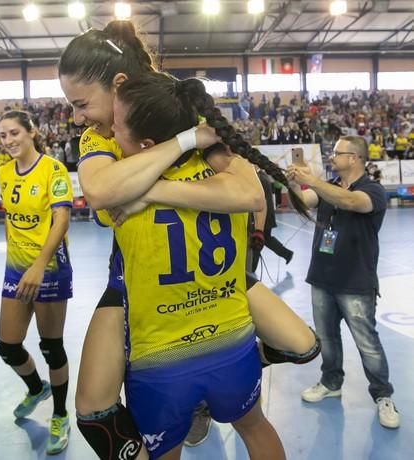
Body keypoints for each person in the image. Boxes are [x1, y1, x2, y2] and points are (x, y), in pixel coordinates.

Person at [58, 21, 314, 460]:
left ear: (118, 85)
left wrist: (147, 189)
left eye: (81, 103)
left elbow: (250, 194)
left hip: (196, 290)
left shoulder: (168, 117)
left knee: (304, 346)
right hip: (151, 281)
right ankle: (213, 392)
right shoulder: (114, 134)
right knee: (95, 409)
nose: (76, 117)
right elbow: (100, 194)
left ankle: (216, 387)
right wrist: (185, 142)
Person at [106, 71, 287, 460]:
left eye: (116, 127)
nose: (109, 134)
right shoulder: (227, 178)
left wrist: (148, 190)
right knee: (256, 427)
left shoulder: (120, 194)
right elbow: (254, 194)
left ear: (148, 144)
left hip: (160, 358)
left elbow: (103, 188)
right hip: (233, 344)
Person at [287, 135, 400, 429]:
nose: (332, 157)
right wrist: (292, 180)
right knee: (327, 338)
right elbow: (305, 199)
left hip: (356, 281)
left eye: (337, 153)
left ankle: (383, 395)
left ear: (354, 158)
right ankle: (330, 381)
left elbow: (350, 201)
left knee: (368, 343)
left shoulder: (373, 191)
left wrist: (314, 181)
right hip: (323, 278)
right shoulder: (330, 187)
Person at [0, 110, 73, 454]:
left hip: (50, 267)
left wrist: (40, 264)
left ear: (31, 132)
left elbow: (61, 218)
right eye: (2, 135)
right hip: (16, 267)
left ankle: (59, 414)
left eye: (14, 133)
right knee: (8, 346)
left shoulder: (52, 169)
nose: (8, 141)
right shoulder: (2, 172)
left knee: (50, 346)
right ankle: (35, 388)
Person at [250, 168, 294, 271]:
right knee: (266, 239)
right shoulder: (263, 176)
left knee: (257, 241)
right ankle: (287, 254)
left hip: (263, 217)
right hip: (267, 215)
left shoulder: (258, 178)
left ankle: (252, 268)